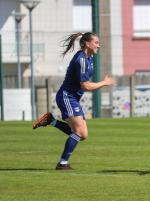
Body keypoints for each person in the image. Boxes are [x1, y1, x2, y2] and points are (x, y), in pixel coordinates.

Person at [32, 32, 115, 170]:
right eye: (96, 42)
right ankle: (62, 163)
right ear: (87, 43)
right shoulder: (81, 59)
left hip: (72, 98)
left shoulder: (89, 58)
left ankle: (50, 120)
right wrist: (104, 83)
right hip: (67, 97)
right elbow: (86, 86)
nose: (98, 45)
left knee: (83, 134)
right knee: (79, 132)